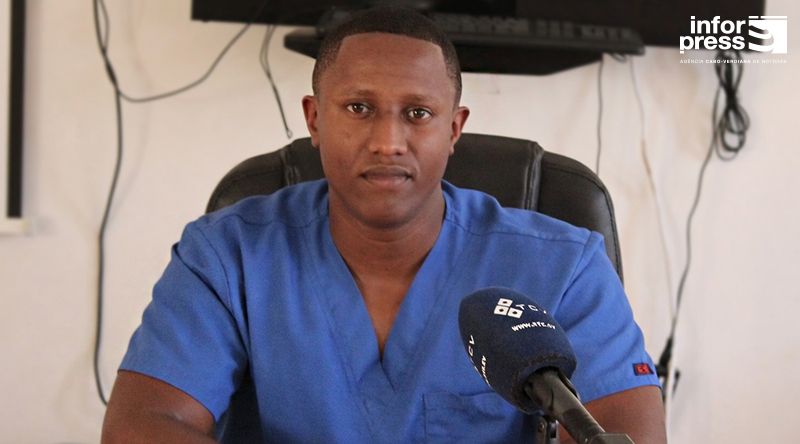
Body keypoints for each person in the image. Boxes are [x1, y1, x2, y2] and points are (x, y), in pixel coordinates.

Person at [102, 6, 666, 443]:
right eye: (359, 108)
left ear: (453, 129)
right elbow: (144, 425)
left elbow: (623, 428)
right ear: (314, 119)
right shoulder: (227, 255)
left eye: (418, 113)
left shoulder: (564, 266)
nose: (388, 141)